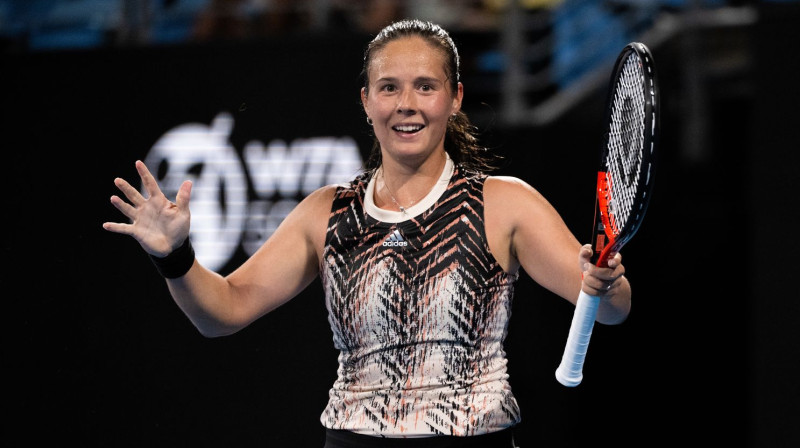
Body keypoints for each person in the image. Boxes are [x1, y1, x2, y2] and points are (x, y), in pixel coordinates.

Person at [104, 18, 630, 448]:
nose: (407, 103)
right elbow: (223, 313)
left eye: (426, 86)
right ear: (365, 100)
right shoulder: (325, 213)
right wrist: (175, 256)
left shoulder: (505, 203)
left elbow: (610, 308)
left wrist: (605, 284)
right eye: (389, 87)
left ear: (455, 98)